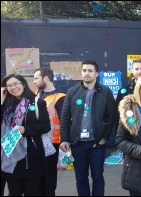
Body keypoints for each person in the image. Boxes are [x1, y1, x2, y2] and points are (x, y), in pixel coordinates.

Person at [59, 60, 116, 196]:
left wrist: (104, 138)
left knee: (97, 178)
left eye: (90, 71)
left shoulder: (105, 92)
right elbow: (65, 117)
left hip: (96, 144)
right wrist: (65, 139)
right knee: (81, 179)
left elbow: (111, 116)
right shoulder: (72, 92)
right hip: (77, 144)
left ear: (96, 73)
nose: (87, 73)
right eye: (84, 70)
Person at [1, 74, 51, 196]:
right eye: (9, 85)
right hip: (9, 156)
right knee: (14, 191)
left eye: (16, 83)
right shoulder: (5, 105)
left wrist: (25, 129)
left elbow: (45, 127)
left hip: (31, 156)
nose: (13, 87)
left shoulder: (37, 102)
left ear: (23, 84)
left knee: (32, 191)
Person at [33, 67, 66, 196]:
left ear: (46, 78)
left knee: (49, 178)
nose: (34, 82)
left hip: (53, 143)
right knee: (37, 178)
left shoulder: (60, 98)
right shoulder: (36, 96)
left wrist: (64, 141)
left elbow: (64, 122)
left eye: (36, 78)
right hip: (37, 142)